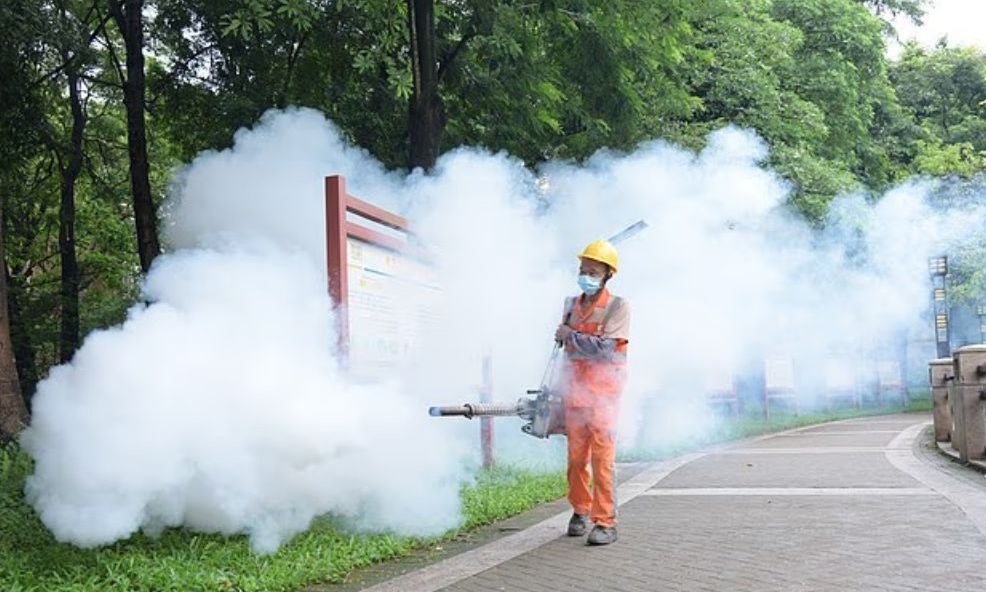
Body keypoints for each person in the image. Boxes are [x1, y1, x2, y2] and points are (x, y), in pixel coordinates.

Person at [554, 239, 630, 546]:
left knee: (602, 460)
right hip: (575, 394)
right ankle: (580, 511)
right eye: (583, 270)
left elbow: (606, 350)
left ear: (608, 275)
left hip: (604, 397)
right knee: (575, 460)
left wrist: (569, 335)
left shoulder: (618, 307)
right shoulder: (570, 305)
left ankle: (605, 522)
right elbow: (564, 350)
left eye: (593, 271)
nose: (585, 276)